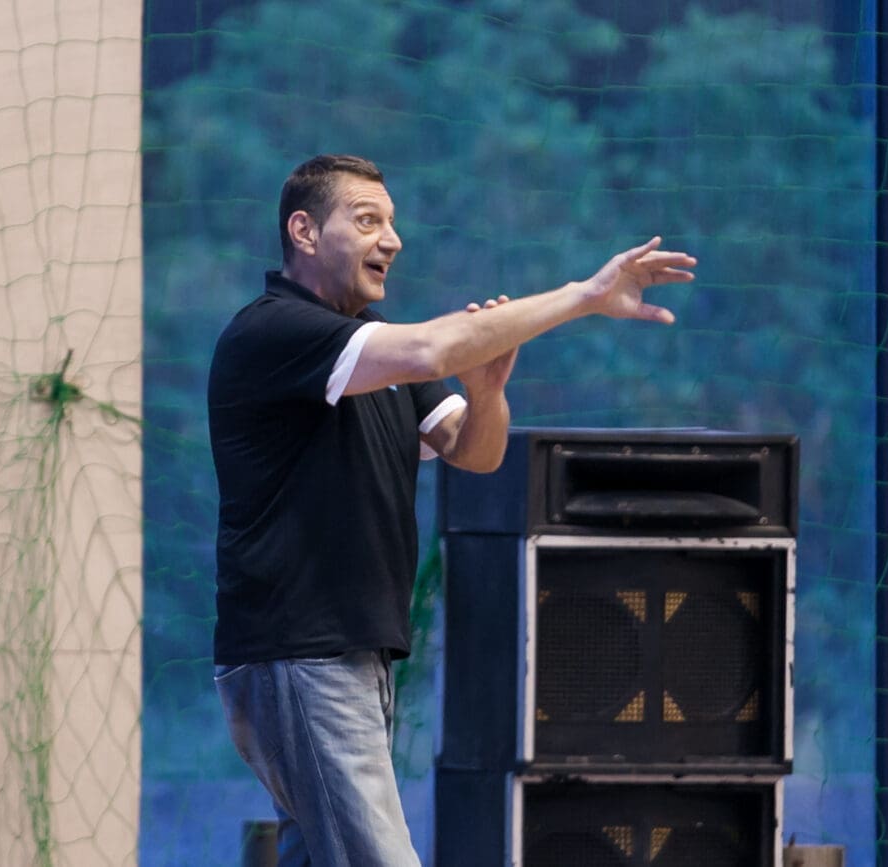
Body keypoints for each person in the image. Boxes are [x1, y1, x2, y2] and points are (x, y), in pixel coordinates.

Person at [208, 153, 696, 866]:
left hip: (353, 653)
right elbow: (435, 347)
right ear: (304, 232)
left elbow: (476, 452)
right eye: (367, 220)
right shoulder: (274, 331)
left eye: (392, 222)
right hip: (300, 651)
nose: (392, 239)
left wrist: (488, 389)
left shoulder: (372, 348)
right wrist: (585, 295)